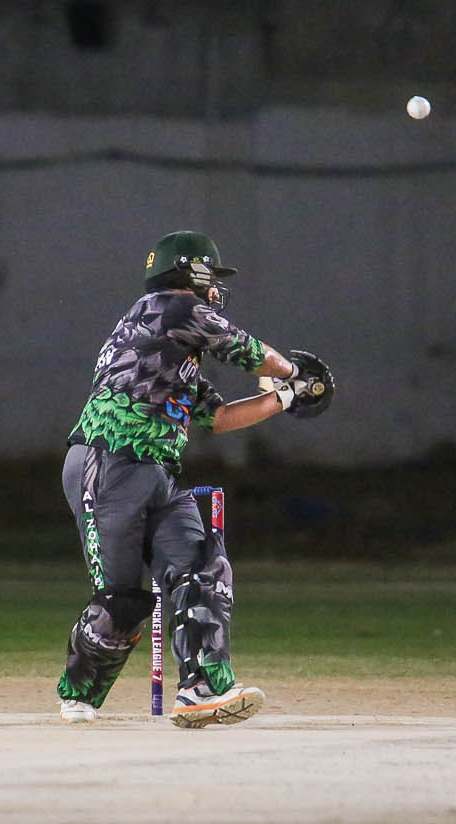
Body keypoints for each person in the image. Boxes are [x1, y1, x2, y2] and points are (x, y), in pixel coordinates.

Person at [55, 230, 331, 728]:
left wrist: (287, 397)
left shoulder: (172, 348)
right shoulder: (168, 308)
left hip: (158, 472)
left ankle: (200, 688)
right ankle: (79, 694)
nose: (215, 286)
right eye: (209, 274)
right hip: (106, 462)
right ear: (188, 271)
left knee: (202, 568)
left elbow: (219, 418)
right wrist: (293, 372)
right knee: (121, 603)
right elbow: (245, 349)